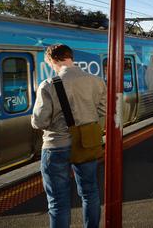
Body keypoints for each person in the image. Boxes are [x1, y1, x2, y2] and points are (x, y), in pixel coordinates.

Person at [31, 44, 105, 228]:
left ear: (52, 60)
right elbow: (103, 113)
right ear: (70, 57)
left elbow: (39, 122)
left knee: (58, 202)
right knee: (90, 192)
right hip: (87, 143)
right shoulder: (96, 81)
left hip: (56, 147)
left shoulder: (48, 85)